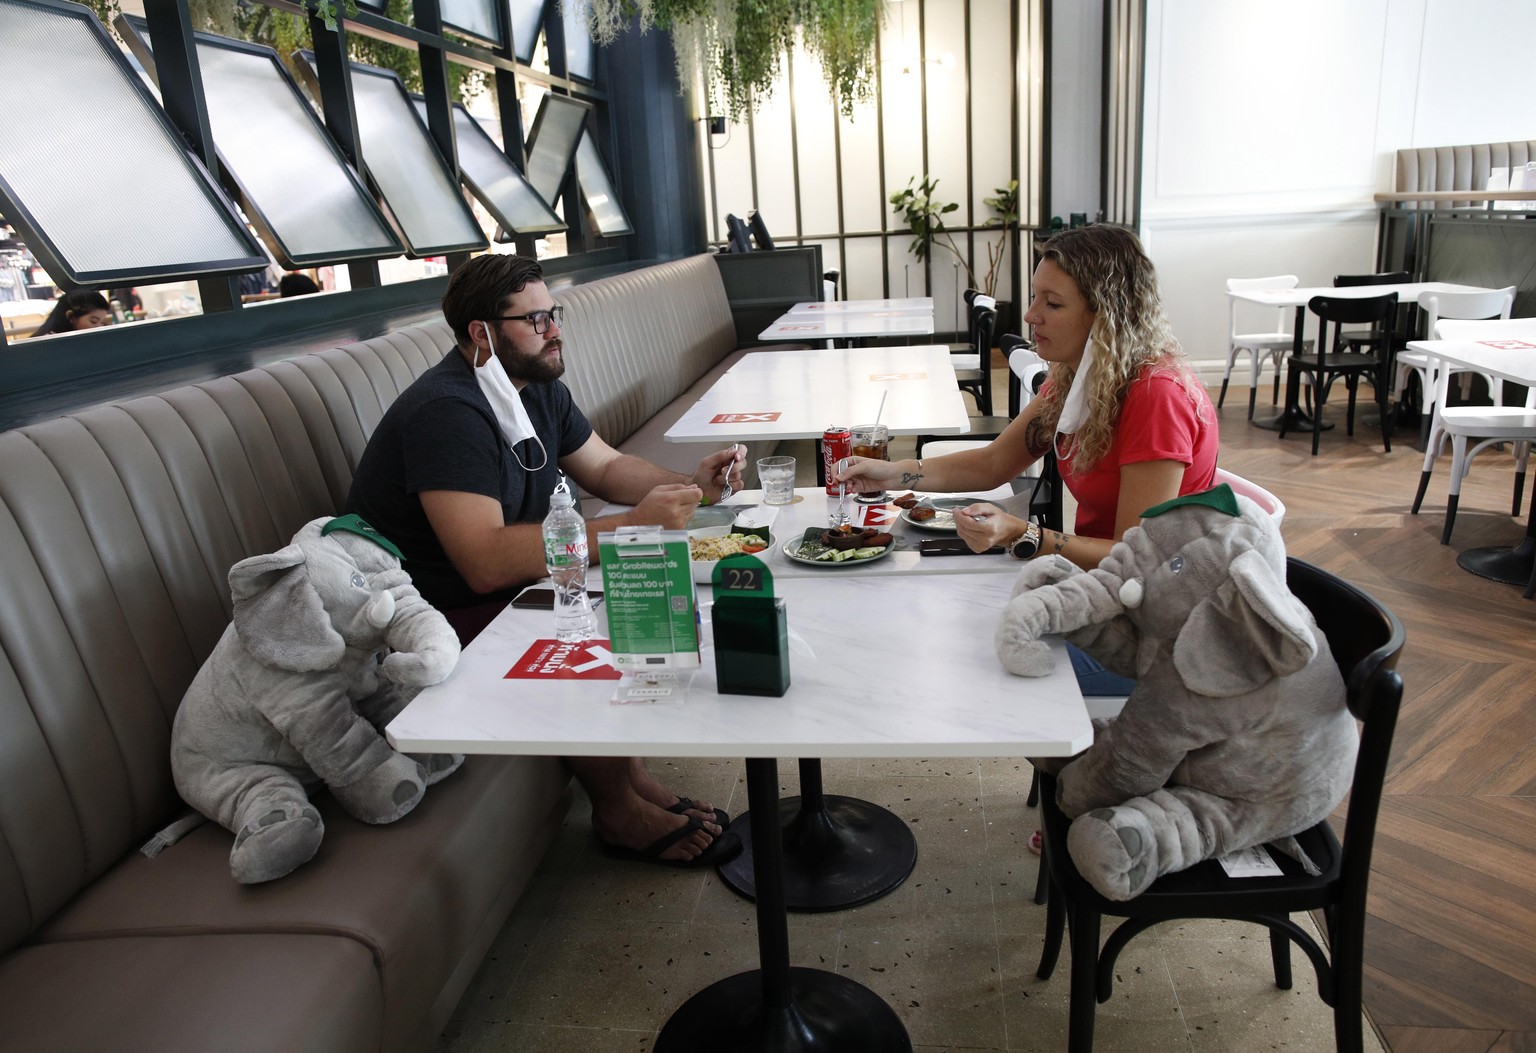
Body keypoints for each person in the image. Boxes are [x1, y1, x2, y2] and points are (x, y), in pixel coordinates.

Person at [346, 252, 745, 868]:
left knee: (627, 590)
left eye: (552, 313)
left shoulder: (535, 388)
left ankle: (632, 780)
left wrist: (692, 487)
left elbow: (607, 467)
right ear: (482, 333)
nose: (554, 329)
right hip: (426, 615)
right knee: (585, 624)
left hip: (499, 588)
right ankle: (618, 813)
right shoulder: (449, 413)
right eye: (535, 320)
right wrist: (627, 527)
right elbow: (481, 561)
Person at [833, 224, 1217, 687]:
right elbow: (994, 462)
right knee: (952, 628)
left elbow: (1132, 556)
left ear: (1108, 315)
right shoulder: (1080, 374)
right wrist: (894, 472)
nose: (1031, 315)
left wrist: (1024, 533)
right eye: (1036, 297)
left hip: (1158, 628)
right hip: (1105, 590)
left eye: (1053, 304)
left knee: (974, 664)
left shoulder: (1156, 395)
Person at [30, 290, 112, 336]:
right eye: (93, 321)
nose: (98, 327)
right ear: (70, 316)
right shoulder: (48, 344)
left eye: (102, 323)